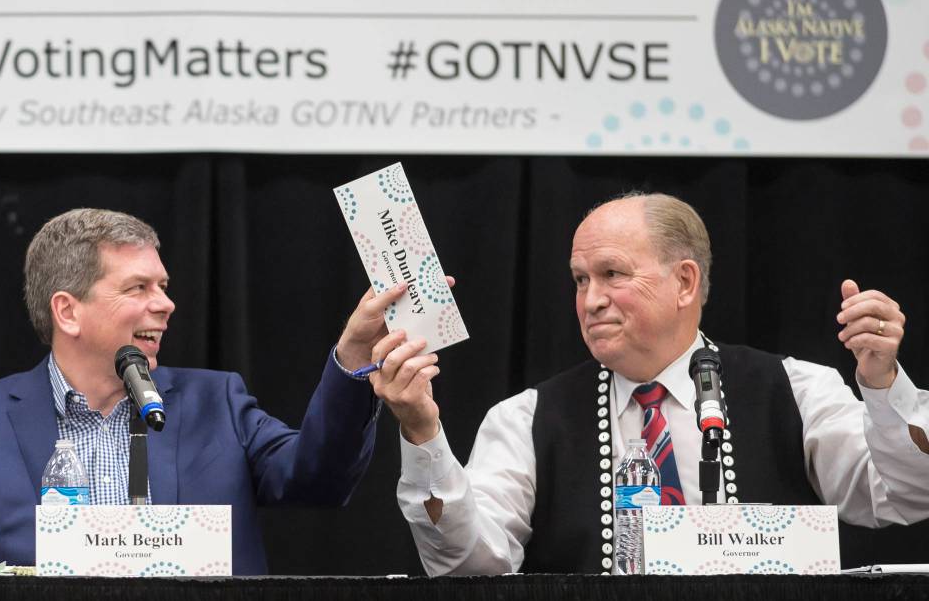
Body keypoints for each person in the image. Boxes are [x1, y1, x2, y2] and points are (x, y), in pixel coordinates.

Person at [371, 192, 929, 575]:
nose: (590, 300)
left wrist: (882, 385)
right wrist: (423, 433)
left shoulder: (794, 389)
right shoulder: (528, 417)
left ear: (684, 282)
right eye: (580, 280)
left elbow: (905, 495)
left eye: (613, 274)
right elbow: (469, 565)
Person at [0, 208, 406, 574]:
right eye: (138, 288)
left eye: (164, 285)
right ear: (67, 312)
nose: (166, 304)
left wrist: (354, 356)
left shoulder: (218, 403)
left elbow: (320, 478)